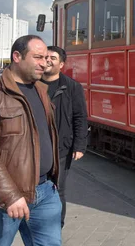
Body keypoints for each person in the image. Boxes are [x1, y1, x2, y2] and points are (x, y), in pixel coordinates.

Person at [0, 35, 61, 245]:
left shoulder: (41, 90)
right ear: (17, 57)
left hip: (45, 192)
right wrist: (10, 195)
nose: (44, 63)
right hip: (2, 200)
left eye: (47, 57)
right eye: (38, 57)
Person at [41, 45, 88, 228]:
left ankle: (55, 226)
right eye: (45, 57)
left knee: (57, 189)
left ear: (61, 64)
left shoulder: (72, 87)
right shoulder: (33, 84)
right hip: (36, 146)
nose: (48, 60)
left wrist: (79, 145)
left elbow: (80, 116)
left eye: (53, 58)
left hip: (61, 146)